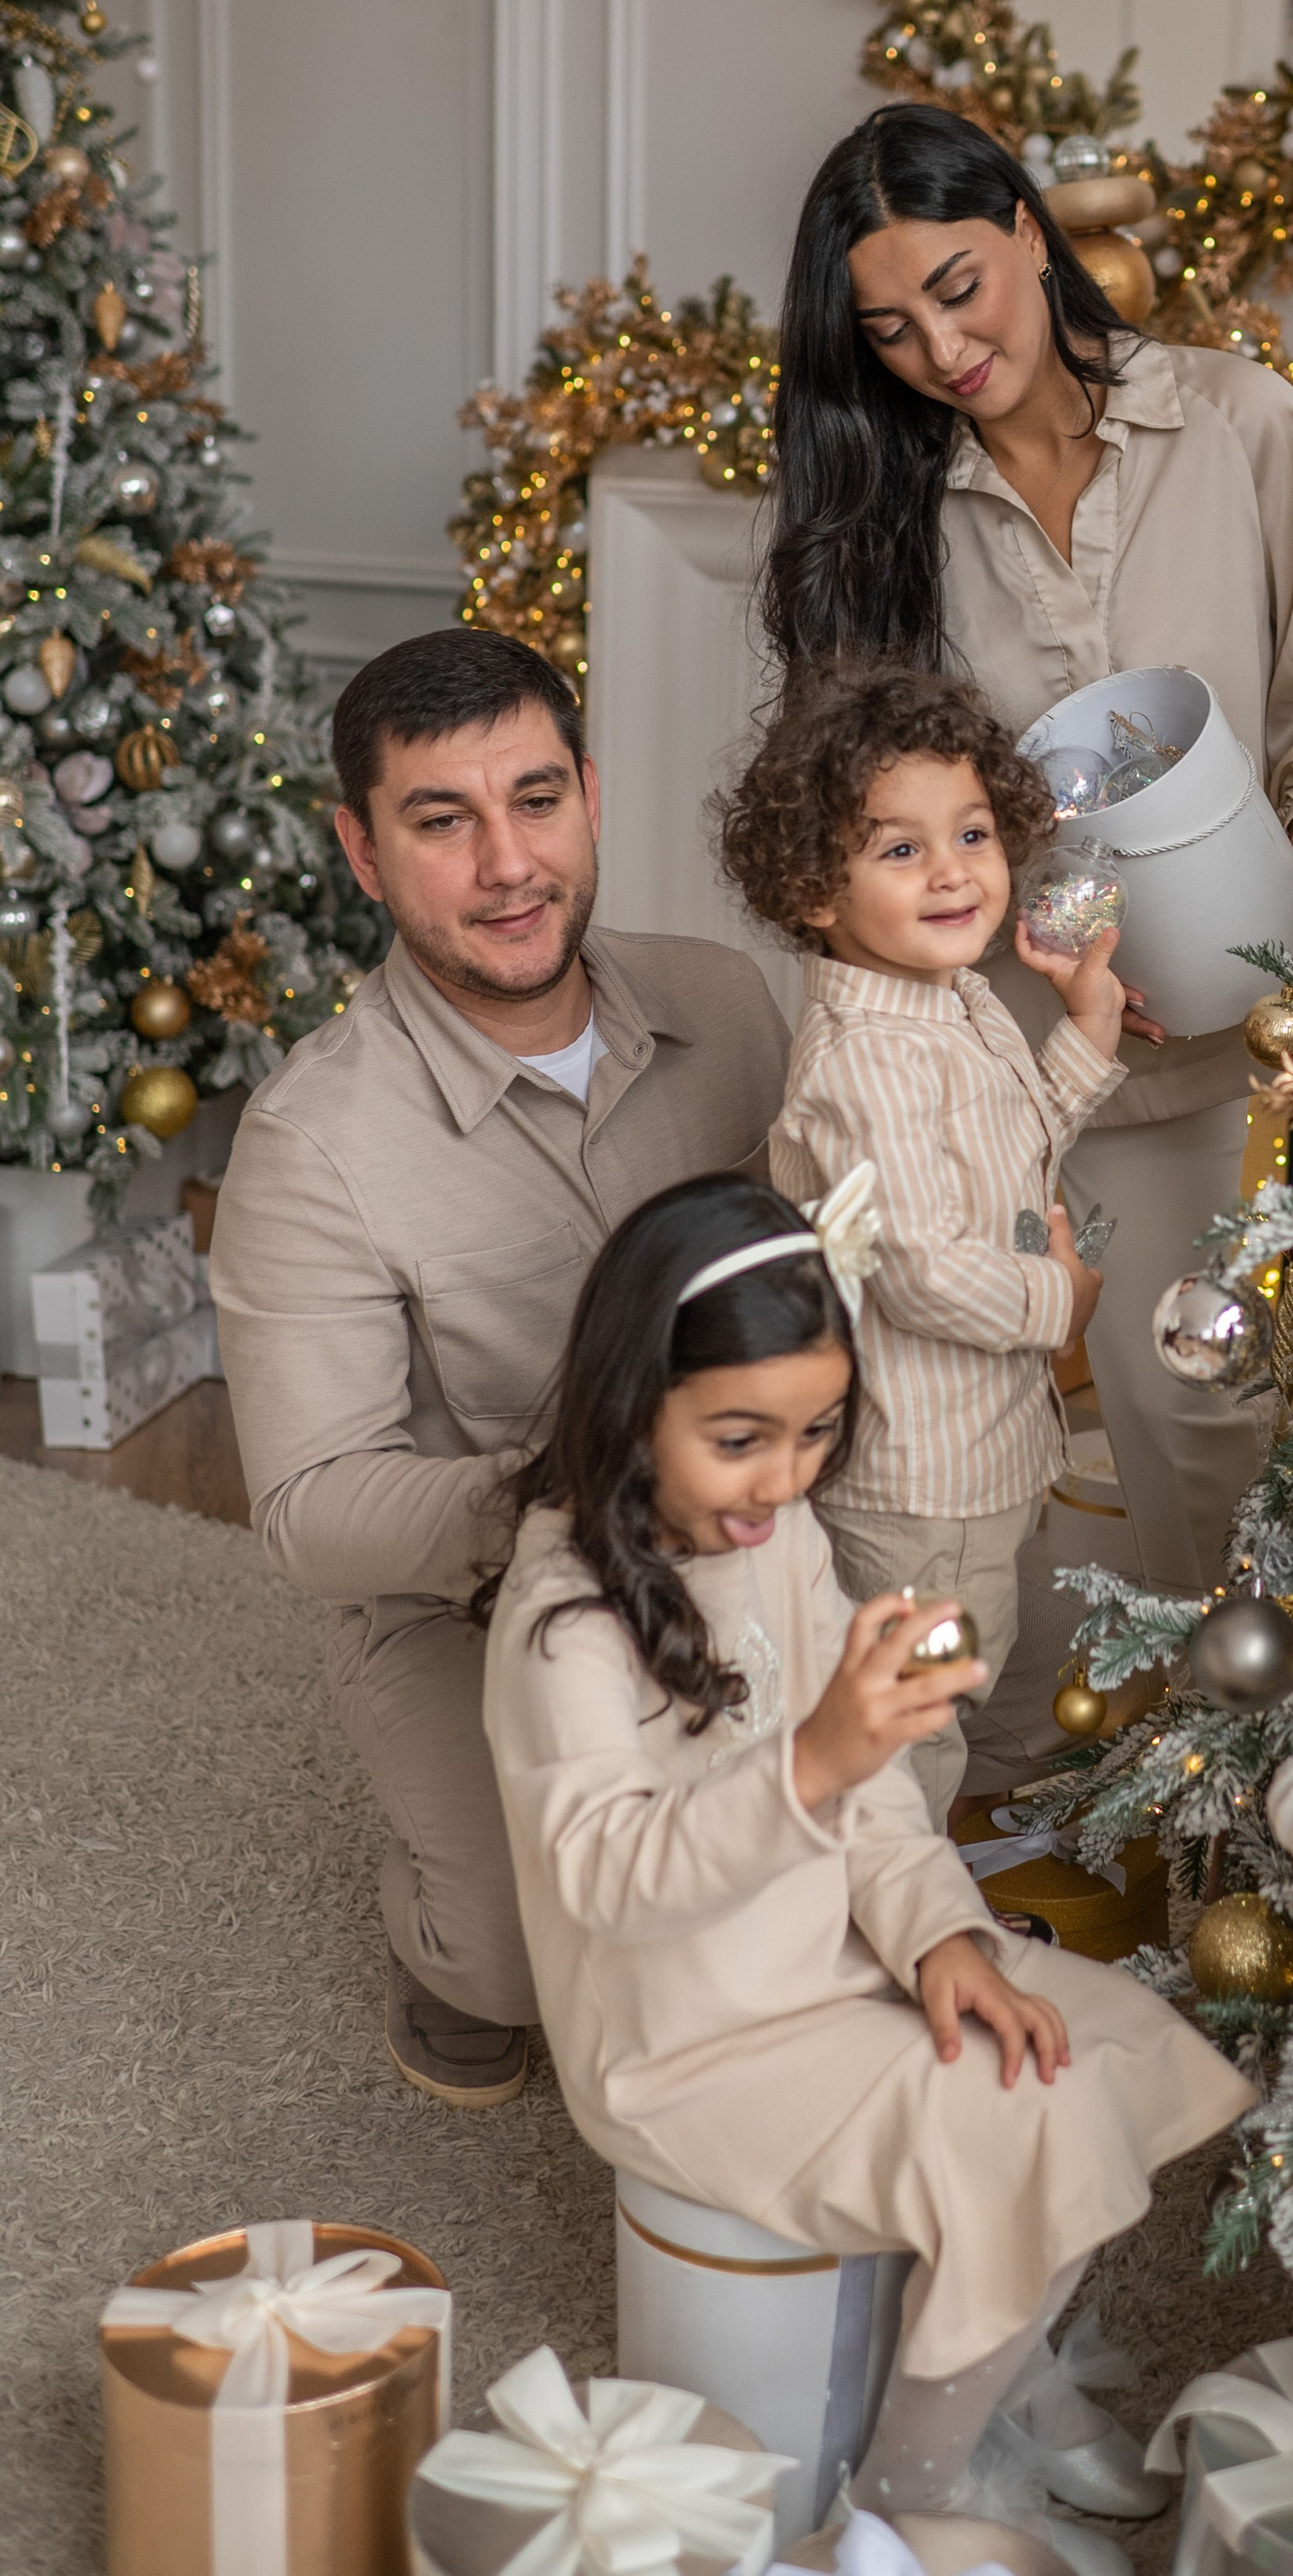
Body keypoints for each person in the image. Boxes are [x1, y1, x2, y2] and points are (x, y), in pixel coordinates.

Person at [477, 1172, 1252, 2554]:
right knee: (1035, 2129)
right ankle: (904, 2495)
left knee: (1096, 2043)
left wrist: (942, 1938)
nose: (781, 1482)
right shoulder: (563, 1623)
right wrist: (811, 1765)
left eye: (817, 1433)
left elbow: (881, 1790)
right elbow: (611, 1881)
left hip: (827, 1949)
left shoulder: (773, 1540)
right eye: (738, 1439)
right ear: (627, 1407)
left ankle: (1004, 2366)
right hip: (688, 2034)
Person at [762, 105, 1293, 1600]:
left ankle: (1258, 1756)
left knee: (1239, 1409)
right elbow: (854, 815)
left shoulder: (1241, 424)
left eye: (958, 288)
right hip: (1009, 1043)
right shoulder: (881, 513)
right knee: (1003, 1426)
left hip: (1256, 1023)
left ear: (1028, 232)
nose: (940, 349)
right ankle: (1146, 1750)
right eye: (891, 327)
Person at [210, 627, 788, 2110]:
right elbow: (312, 1506)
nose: (507, 864)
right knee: (526, 1965)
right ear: (361, 849)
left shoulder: (729, 1006)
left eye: (535, 800)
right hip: (467, 1592)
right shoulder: (311, 1144)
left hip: (756, 1518)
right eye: (442, 821)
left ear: (592, 794)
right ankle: (447, 1939)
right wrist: (577, 1501)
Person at [722, 659, 1126, 1823]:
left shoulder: (951, 999)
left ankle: (902, 1901)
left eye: (974, 834)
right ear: (815, 886)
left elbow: (1007, 1150)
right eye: (900, 850)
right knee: (915, 1724)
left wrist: (1088, 1026)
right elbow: (924, 1269)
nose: (954, 872)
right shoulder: (868, 1064)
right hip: (919, 1478)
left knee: (948, 1681)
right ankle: (900, 1923)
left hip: (976, 1451)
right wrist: (1062, 1305)